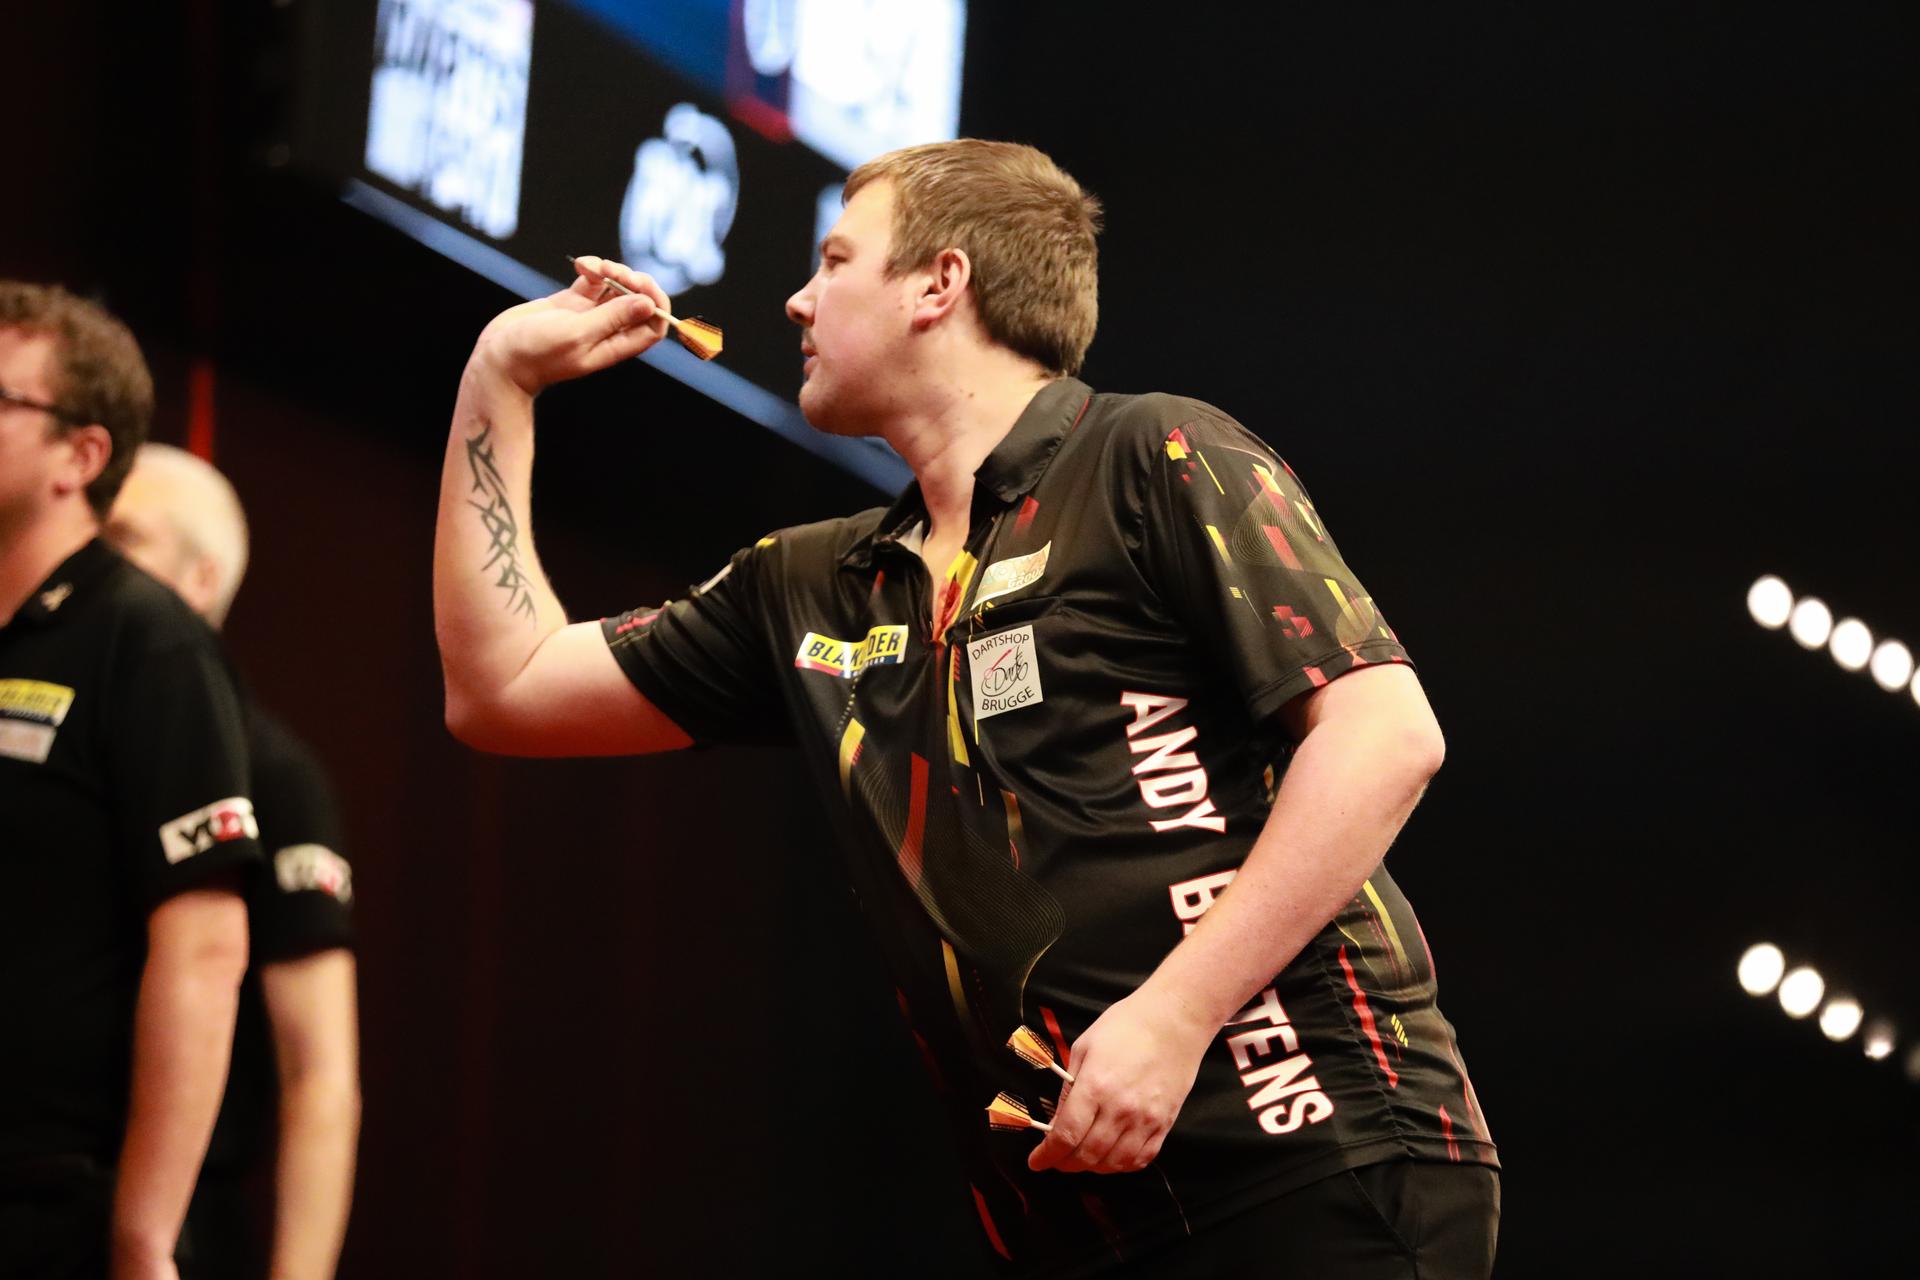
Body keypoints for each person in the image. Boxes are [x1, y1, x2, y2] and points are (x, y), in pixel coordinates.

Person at [432, 140, 1499, 1276]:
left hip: (1318, 1157)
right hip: (1074, 1221)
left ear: (940, 284)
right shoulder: (810, 584)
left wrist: (1178, 1014)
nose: (796, 298)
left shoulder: (1152, 454)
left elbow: (1387, 736)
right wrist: (499, 377)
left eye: (835, 260)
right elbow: (505, 687)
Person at [0, 281, 258, 1280]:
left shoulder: (148, 640)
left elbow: (204, 949)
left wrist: (144, 1237)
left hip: (46, 1205)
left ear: (81, 455)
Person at [106, 443, 361, 1280]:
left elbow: (318, 1074)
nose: (92, 562)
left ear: (202, 578)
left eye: (123, 541)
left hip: (177, 1224)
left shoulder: (272, 773)